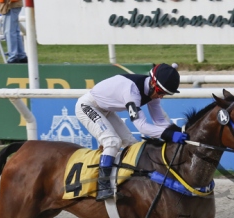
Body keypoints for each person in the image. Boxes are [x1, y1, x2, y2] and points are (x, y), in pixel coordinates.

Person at [75, 63, 189, 201]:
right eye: (161, 92)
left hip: (106, 110)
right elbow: (141, 126)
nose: (161, 97)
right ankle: (102, 186)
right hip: (87, 106)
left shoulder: (153, 92)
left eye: (165, 94)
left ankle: (124, 182)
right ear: (153, 83)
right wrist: (170, 135)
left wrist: (178, 132)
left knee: (132, 145)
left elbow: (160, 121)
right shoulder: (131, 91)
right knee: (112, 141)